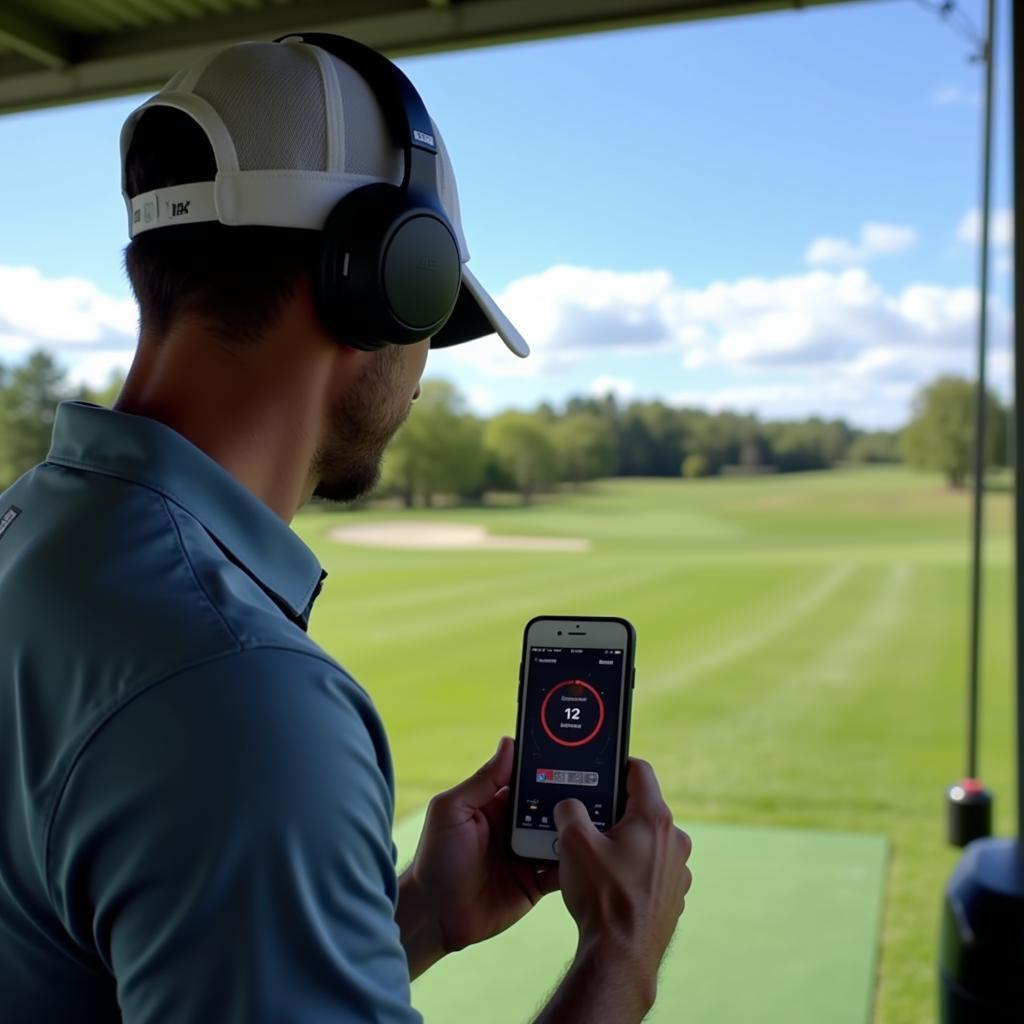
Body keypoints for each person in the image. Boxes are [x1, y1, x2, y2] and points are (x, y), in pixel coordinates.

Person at [0, 35, 692, 1024]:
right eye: (436, 317)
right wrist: (620, 958)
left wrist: (416, 919)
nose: (423, 367)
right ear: (384, 281)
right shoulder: (239, 690)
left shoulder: (31, 532)